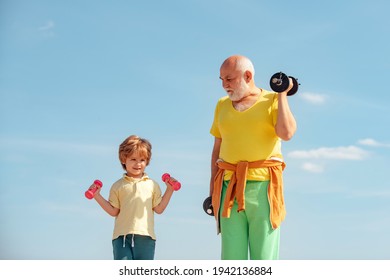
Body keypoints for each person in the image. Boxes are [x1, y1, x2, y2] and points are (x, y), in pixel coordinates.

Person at [209, 55, 297, 260]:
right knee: (231, 258)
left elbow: (287, 133)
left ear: (247, 76)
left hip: (264, 187)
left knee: (264, 257)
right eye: (221, 80)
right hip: (228, 187)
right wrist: (213, 191)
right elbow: (216, 151)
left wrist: (282, 95)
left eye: (229, 79)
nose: (224, 85)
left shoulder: (272, 99)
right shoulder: (221, 105)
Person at [88, 135, 176, 260]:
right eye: (133, 159)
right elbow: (113, 211)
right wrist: (96, 196)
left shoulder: (152, 184)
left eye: (142, 160)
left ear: (147, 161)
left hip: (146, 236)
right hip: (122, 237)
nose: (138, 164)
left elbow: (159, 209)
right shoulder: (118, 185)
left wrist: (170, 189)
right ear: (124, 159)